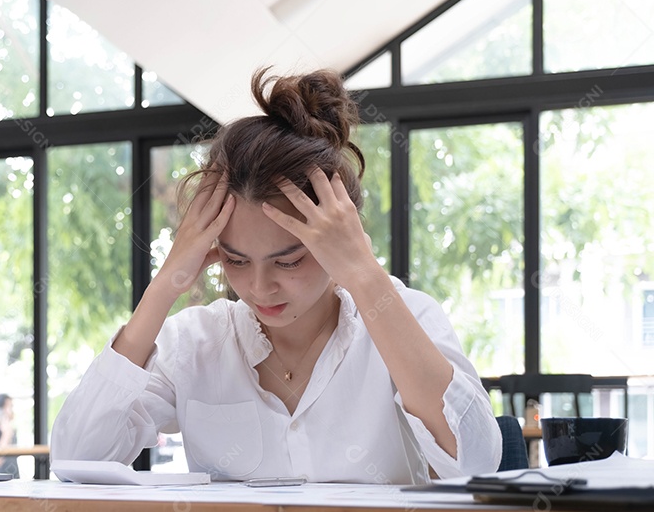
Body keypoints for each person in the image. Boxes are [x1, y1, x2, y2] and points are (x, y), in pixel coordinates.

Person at [51, 68, 501, 483]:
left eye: (289, 261)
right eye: (236, 260)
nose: (259, 288)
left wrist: (363, 272)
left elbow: (475, 462)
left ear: (338, 238)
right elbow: (77, 459)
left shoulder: (408, 317)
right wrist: (166, 282)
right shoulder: (196, 343)